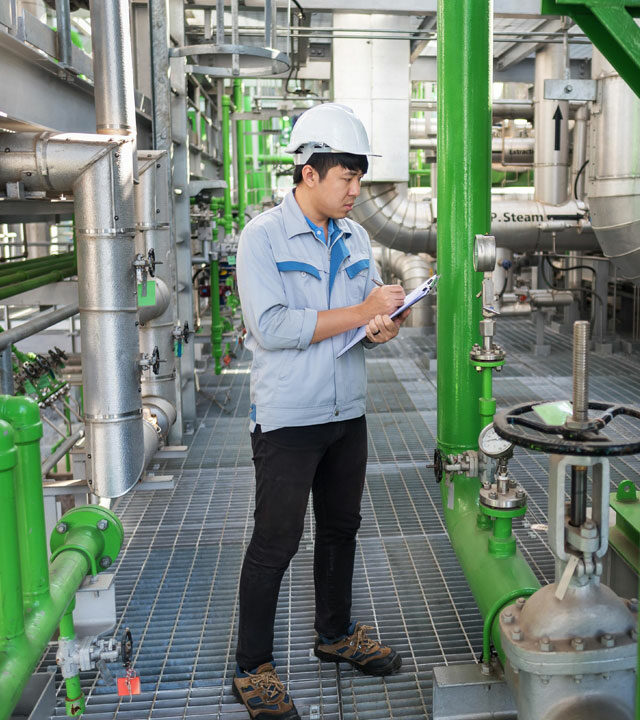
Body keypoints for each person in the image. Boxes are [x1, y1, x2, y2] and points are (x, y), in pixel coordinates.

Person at [233, 103, 409, 720]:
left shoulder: (357, 236)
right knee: (275, 542)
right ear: (308, 172)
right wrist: (361, 313)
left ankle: (334, 634)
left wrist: (380, 325)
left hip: (345, 409)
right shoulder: (262, 238)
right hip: (288, 418)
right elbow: (274, 327)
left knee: (341, 530)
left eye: (360, 178)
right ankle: (251, 667)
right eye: (346, 178)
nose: (356, 191)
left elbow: (360, 317)